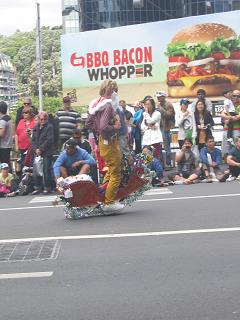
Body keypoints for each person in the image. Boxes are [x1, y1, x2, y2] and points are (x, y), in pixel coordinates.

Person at [87, 80, 123, 213]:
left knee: (110, 171)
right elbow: (103, 126)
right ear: (111, 91)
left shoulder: (96, 103)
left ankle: (103, 194)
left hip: (102, 142)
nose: (116, 94)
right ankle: (109, 202)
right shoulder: (107, 106)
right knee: (116, 173)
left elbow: (89, 123)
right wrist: (115, 127)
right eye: (115, 91)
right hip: (109, 142)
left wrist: (98, 133)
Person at [31, 112, 55, 194]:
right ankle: (38, 187)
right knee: (36, 170)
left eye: (45, 119)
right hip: (37, 152)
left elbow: (49, 140)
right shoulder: (35, 127)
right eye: (41, 119)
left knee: (46, 170)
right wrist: (35, 149)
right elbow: (33, 140)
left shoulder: (49, 127)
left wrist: (40, 149)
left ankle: (47, 187)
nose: (43, 121)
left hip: (47, 152)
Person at [156, 91, 175, 169]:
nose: (158, 98)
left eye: (159, 96)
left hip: (165, 128)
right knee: (158, 147)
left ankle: (168, 164)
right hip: (158, 128)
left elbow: (169, 115)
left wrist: (160, 108)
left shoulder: (168, 104)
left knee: (167, 147)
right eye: (157, 96)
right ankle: (160, 164)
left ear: (164, 97)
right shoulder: (157, 105)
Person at [141, 96, 163, 161]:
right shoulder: (144, 114)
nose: (146, 106)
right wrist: (149, 126)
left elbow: (150, 121)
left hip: (155, 139)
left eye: (148, 104)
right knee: (147, 159)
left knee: (155, 157)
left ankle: (156, 170)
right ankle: (148, 170)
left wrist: (147, 115)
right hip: (146, 139)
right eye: (145, 104)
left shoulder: (157, 113)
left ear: (152, 105)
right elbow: (142, 127)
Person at [221, 90, 240, 159]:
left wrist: (228, 119)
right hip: (226, 130)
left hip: (237, 131)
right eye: (234, 96)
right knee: (226, 150)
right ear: (231, 96)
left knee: (236, 149)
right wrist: (230, 117)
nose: (236, 97)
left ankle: (236, 167)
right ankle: (229, 167)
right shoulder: (228, 104)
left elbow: (237, 118)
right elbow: (222, 114)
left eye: (238, 96)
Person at [0, 101, 13, 168]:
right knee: (7, 163)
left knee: (4, 165)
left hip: (3, 146)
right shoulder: (8, 118)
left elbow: (1, 134)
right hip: (8, 145)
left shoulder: (3, 120)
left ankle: (8, 178)